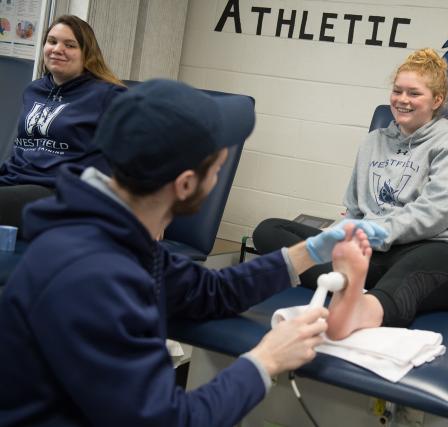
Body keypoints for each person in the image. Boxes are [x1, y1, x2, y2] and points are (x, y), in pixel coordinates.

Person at [0, 79, 381, 427]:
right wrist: (265, 360)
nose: (218, 176)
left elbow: (209, 292)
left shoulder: (115, 233)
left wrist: (309, 251)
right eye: (216, 167)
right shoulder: (94, 275)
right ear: (185, 184)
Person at [253, 48, 448, 340]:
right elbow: (355, 207)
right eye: (397, 90)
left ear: (437, 100)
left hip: (434, 249)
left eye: (414, 93)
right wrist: (339, 240)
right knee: (270, 230)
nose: (402, 100)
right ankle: (350, 285)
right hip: (372, 254)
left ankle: (359, 309)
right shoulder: (374, 141)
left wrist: (371, 234)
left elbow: (437, 212)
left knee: (419, 267)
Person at [0, 15, 126, 233]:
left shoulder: (109, 95)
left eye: (70, 45)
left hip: (60, 192)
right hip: (15, 179)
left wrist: (153, 212)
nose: (57, 49)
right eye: (52, 41)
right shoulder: (34, 89)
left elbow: (149, 150)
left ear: (86, 54)